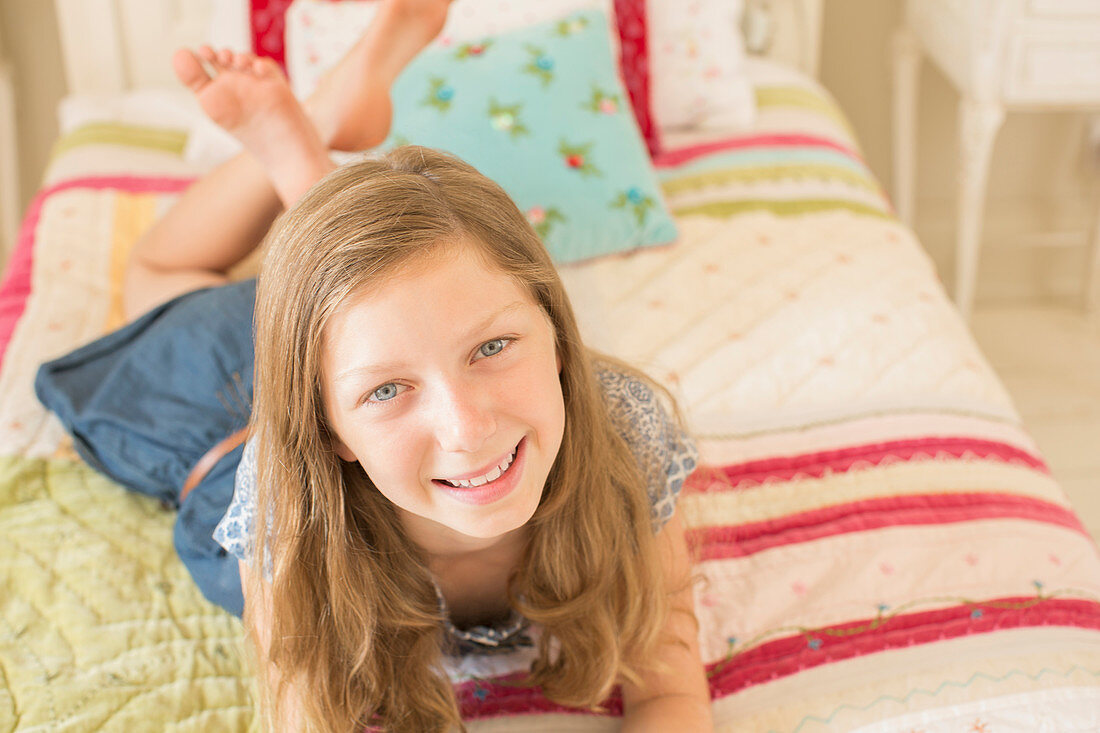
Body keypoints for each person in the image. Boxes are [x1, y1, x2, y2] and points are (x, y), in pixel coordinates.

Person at [37, 1, 713, 730]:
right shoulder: (284, 518)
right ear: (325, 430)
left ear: (556, 328)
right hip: (230, 411)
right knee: (157, 277)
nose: (468, 428)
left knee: (382, 307)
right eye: (392, 390)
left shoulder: (625, 438)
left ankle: (309, 144)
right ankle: (304, 134)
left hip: (350, 352)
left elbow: (670, 682)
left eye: (492, 347)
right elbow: (302, 711)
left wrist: (383, 382)